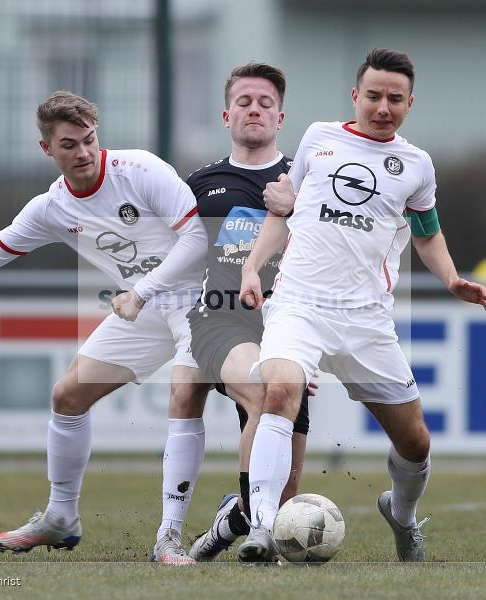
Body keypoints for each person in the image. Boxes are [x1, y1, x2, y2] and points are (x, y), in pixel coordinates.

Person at [0, 91, 213, 565]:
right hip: (142, 309)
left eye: (89, 140)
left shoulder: (141, 170)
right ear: (47, 149)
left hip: (198, 302)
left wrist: (142, 291)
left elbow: (197, 237)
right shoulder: (52, 207)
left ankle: (170, 537)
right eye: (70, 144)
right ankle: (61, 518)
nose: (83, 153)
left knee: (184, 397)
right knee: (68, 396)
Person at [237, 49, 486, 563]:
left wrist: (450, 279)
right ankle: (262, 528)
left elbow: (427, 233)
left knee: (416, 443)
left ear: (409, 103)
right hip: (300, 303)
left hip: (366, 321)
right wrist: (251, 267)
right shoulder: (317, 139)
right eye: (373, 96)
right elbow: (286, 212)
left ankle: (400, 515)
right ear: (355, 96)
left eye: (394, 99)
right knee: (281, 390)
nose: (382, 106)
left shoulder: (416, 166)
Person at [182, 63, 311, 561]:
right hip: (222, 321)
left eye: (264, 103)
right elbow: (170, 257)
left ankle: (236, 518)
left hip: (291, 326)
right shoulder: (200, 183)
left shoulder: (307, 181)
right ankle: (256, 526)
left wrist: (297, 206)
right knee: (262, 388)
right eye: (243, 101)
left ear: (281, 117)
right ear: (226, 114)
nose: (253, 109)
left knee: (285, 500)